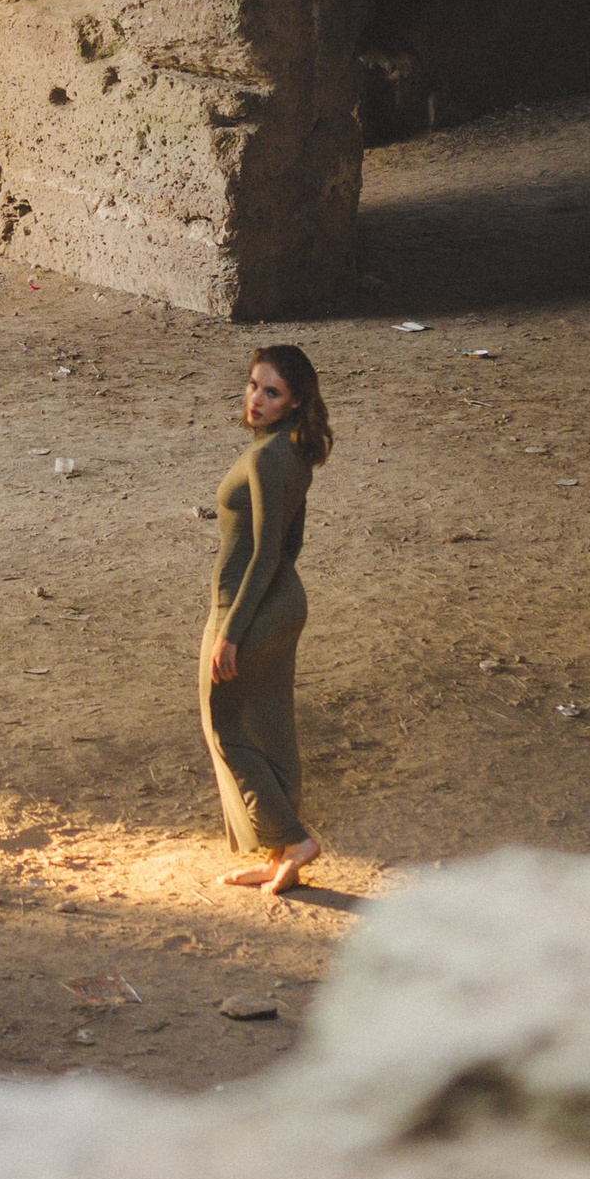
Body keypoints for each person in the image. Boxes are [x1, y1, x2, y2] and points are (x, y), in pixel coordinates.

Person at [202, 342, 332, 894]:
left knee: (227, 722)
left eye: (271, 392)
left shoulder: (263, 458)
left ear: (295, 402)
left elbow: (265, 555)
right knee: (271, 723)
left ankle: (290, 837)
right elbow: (291, 544)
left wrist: (233, 631)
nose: (256, 399)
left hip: (251, 607)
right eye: (254, 385)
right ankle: (280, 850)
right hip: (283, 603)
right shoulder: (294, 453)